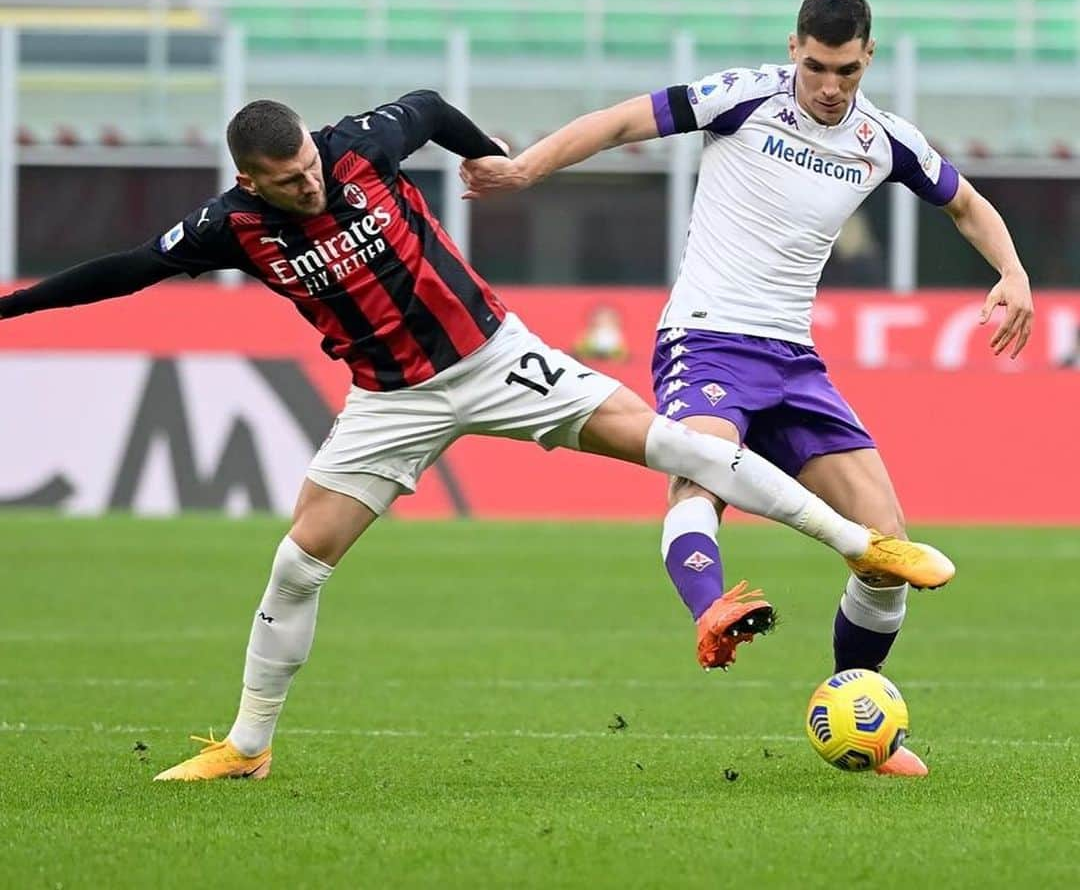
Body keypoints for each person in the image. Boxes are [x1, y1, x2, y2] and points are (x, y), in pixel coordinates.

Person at [0, 88, 953, 783]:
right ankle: (247, 747)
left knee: (672, 444)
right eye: (288, 181)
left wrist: (490, 152)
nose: (309, 183)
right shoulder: (231, 226)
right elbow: (121, 271)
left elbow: (428, 104)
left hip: (498, 357)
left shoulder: (362, 145)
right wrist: (14, 309)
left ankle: (865, 544)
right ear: (250, 178)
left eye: (311, 167)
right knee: (299, 561)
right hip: (388, 402)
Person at [460, 0, 1034, 778]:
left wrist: (1011, 271)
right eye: (817, 65)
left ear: (869, 58)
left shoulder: (883, 138)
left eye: (846, 70)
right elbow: (624, 120)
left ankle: (862, 715)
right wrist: (526, 169)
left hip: (793, 360)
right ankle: (711, 611)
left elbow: (966, 204)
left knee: (886, 546)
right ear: (794, 46)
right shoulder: (743, 97)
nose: (830, 86)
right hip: (707, 338)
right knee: (701, 464)